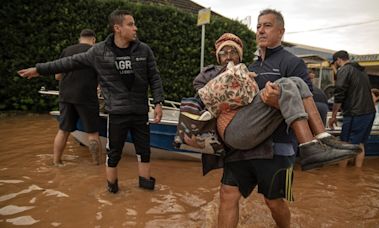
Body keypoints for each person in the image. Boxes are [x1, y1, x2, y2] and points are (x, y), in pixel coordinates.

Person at [194, 11, 356, 226]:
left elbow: (309, 102)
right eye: (259, 26)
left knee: (274, 202)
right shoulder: (250, 67)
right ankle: (316, 142)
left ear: (281, 31)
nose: (261, 30)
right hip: (243, 148)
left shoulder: (292, 62)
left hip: (276, 149)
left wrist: (278, 102)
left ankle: (319, 141)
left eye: (267, 25)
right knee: (227, 194)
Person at [18, 9, 164, 193]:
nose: (135, 28)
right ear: (117, 28)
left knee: (144, 152)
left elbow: (155, 77)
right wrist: (39, 69)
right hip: (117, 113)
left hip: (140, 111)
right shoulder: (98, 51)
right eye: (131, 24)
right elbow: (68, 63)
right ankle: (112, 193)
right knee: (113, 154)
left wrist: (158, 102)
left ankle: (145, 192)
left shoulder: (144, 50)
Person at [52, 29, 101, 166]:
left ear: (80, 38)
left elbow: (57, 76)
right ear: (93, 40)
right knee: (92, 133)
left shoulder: (67, 51)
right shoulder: (96, 53)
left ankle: (56, 163)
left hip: (66, 95)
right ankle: (97, 165)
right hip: (87, 97)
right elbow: (102, 79)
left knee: (63, 131)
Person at [328, 50, 375, 168]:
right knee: (360, 144)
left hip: (355, 112)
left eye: (335, 63)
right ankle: (357, 174)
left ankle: (340, 177)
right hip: (369, 112)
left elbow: (339, 94)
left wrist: (333, 116)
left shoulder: (344, 70)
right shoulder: (362, 71)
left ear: (338, 60)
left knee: (345, 144)